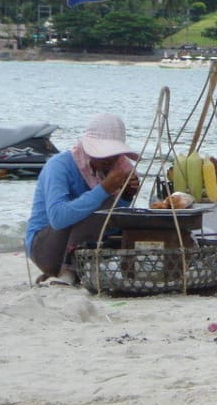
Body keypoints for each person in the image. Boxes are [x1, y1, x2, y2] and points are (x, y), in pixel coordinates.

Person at [25, 113, 140, 286]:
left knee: (118, 216)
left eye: (114, 154)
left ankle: (82, 269)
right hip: (47, 248)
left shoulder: (119, 167)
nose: (110, 159)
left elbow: (110, 219)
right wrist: (103, 189)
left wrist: (125, 196)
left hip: (87, 245)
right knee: (96, 208)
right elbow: (58, 218)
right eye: (104, 154)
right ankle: (68, 271)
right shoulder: (59, 166)